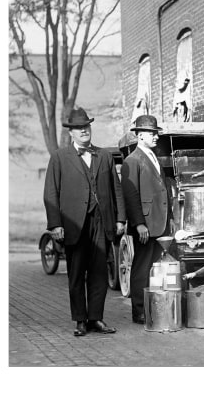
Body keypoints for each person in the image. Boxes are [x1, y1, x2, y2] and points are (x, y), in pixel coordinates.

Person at [43, 107, 126, 336]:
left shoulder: (104, 156)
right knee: (77, 273)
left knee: (100, 272)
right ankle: (80, 320)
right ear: (71, 133)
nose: (84, 131)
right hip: (74, 224)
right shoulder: (59, 158)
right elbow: (51, 194)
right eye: (79, 128)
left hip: (102, 221)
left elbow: (116, 189)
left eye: (86, 127)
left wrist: (120, 218)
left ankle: (96, 319)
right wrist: (56, 224)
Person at [121, 115, 176, 324]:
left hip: (160, 223)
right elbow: (130, 195)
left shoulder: (153, 158)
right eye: (151, 133)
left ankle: (154, 307)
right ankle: (139, 311)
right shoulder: (132, 161)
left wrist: (169, 218)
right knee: (141, 268)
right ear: (140, 135)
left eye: (156, 133)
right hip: (145, 225)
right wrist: (139, 223)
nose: (156, 136)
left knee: (155, 267)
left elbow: (163, 192)